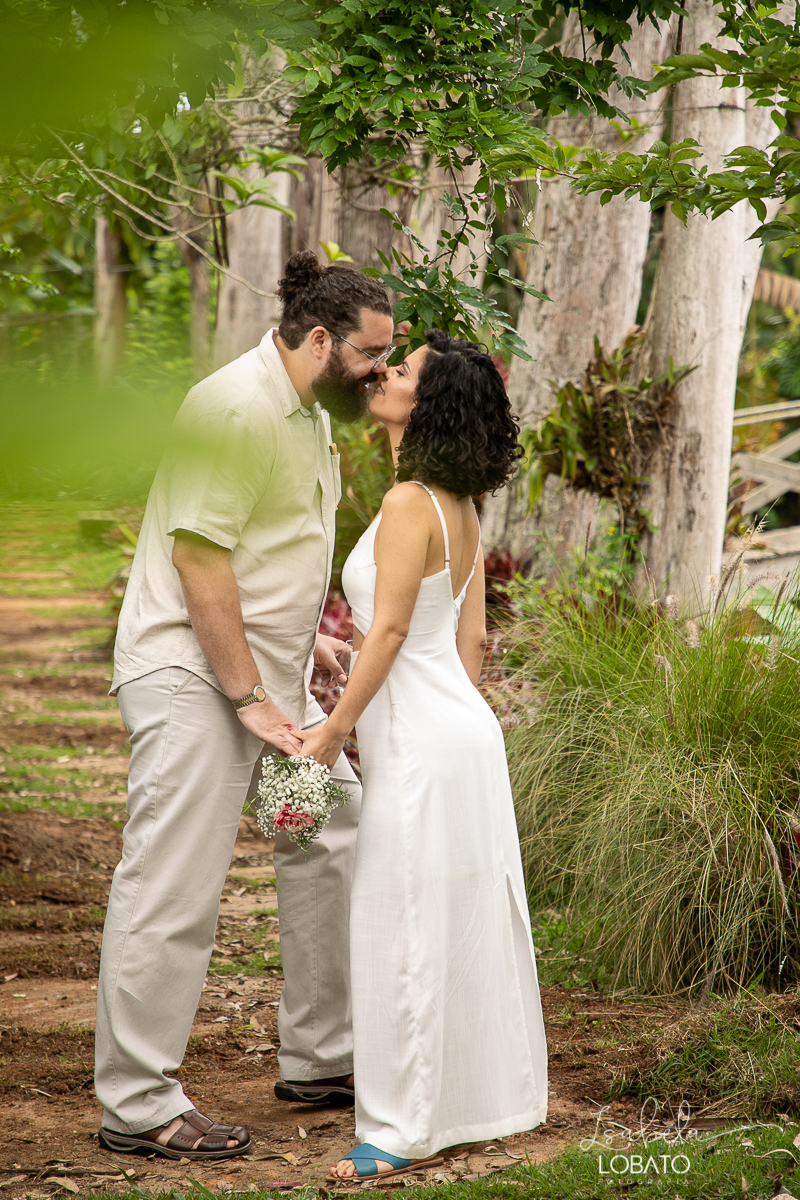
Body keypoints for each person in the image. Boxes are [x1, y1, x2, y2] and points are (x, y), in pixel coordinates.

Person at [95, 252, 394, 1160]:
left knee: (326, 834)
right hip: (196, 683)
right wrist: (249, 695)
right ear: (319, 340)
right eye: (373, 355)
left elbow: (270, 553)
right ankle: (138, 1103)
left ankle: (321, 1055)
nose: (382, 372)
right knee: (173, 879)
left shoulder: (305, 411)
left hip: (268, 684)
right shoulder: (232, 407)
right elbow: (201, 560)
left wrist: (309, 646)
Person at [301, 330, 549, 1182]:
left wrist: (337, 730)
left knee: (403, 919)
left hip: (425, 742)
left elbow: (395, 630)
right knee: (455, 920)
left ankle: (401, 1130)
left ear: (427, 403)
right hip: (462, 733)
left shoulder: (412, 504)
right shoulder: (458, 505)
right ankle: (480, 1101)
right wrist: (431, 709)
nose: (383, 373)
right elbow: (469, 641)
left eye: (400, 371)